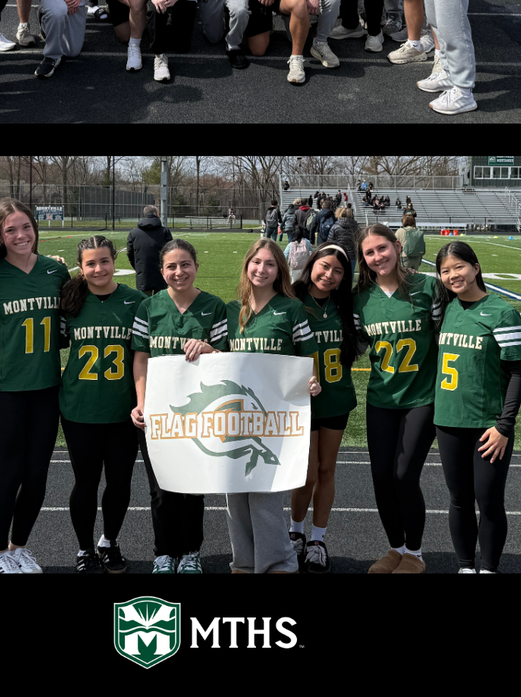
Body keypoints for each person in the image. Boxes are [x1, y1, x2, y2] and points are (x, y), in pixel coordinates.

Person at [0, 198, 71, 573]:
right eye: (10, 229)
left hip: (46, 385)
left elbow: (66, 328)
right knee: (10, 471)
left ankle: (18, 548)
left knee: (37, 475)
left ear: (36, 227)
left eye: (25, 227)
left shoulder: (55, 272)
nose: (20, 235)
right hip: (3, 387)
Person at [130, 239, 229, 573]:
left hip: (199, 412)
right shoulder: (148, 307)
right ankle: (164, 552)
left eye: (185, 264)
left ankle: (190, 552)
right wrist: (141, 403)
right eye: (171, 266)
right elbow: (141, 358)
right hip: (159, 411)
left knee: (193, 487)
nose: (179, 272)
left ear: (196, 267)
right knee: (160, 488)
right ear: (162, 271)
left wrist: (209, 349)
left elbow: (226, 360)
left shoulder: (214, 306)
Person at [225, 239, 318, 573]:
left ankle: (278, 563)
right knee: (235, 497)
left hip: (273, 416)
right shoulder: (229, 309)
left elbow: (307, 358)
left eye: (269, 264)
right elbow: (221, 360)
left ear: (280, 270)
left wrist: (312, 381)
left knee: (264, 494)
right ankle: (244, 564)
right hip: (237, 417)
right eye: (256, 262)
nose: (261, 269)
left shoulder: (291, 309)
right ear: (247, 265)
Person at [433, 241, 521, 573]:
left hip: (488, 425)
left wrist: (504, 426)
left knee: (488, 501)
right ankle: (465, 566)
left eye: (459, 266)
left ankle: (488, 567)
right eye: (445, 270)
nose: (453, 275)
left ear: (475, 267)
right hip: (447, 420)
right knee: (458, 499)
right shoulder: (446, 310)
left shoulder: (503, 311)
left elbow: (517, 372)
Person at [352, 224, 441, 573]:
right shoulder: (361, 299)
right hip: (381, 397)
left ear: (397, 246)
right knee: (380, 476)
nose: (377, 257)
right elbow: (356, 345)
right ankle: (396, 548)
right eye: (370, 253)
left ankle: (415, 553)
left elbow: (446, 334)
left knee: (404, 475)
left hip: (421, 396)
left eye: (382, 249)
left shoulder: (428, 287)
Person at [59, 236, 145, 573]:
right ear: (81, 268)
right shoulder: (70, 301)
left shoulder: (135, 301)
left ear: (115, 261)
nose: (98, 269)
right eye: (91, 263)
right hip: (80, 407)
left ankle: (109, 541)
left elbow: (145, 355)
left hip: (123, 408)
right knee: (86, 482)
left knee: (120, 482)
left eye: (104, 261)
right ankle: (84, 549)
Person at [290, 244, 357, 572]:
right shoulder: (290, 300)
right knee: (306, 473)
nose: (329, 275)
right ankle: (295, 531)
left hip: (336, 397)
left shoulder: (346, 306)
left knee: (326, 469)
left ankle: (317, 538)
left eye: (338, 271)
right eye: (325, 267)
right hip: (301, 400)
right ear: (311, 264)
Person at [126, 205, 173, 295]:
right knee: (160, 303)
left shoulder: (133, 233)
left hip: (143, 272)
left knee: (144, 304)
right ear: (155, 214)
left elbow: (130, 254)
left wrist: (138, 267)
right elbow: (170, 253)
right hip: (161, 273)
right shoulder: (165, 231)